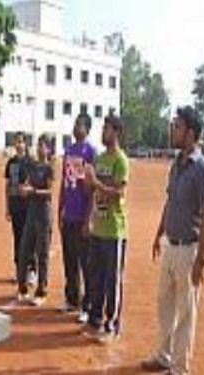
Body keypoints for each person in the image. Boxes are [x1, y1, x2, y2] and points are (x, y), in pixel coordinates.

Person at [141, 106, 204, 375]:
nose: (173, 130)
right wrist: (158, 233)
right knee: (165, 304)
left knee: (185, 313)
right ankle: (163, 356)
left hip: (189, 249)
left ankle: (179, 368)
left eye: (178, 126)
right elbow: (169, 200)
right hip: (171, 245)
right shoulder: (176, 164)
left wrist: (202, 259)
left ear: (191, 133)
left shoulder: (203, 170)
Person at [83, 114, 129, 344]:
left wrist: (97, 183)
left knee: (113, 279)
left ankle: (112, 324)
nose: (103, 132)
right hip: (98, 228)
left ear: (117, 132)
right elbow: (90, 193)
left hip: (114, 230)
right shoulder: (99, 159)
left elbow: (119, 193)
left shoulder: (121, 160)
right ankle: (95, 319)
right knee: (96, 276)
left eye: (107, 129)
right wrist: (87, 181)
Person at [58, 114, 96, 323]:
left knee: (85, 262)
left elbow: (91, 190)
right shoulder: (69, 150)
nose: (75, 128)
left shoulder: (90, 152)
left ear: (87, 129)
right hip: (69, 213)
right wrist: (61, 208)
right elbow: (65, 181)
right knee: (69, 259)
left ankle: (87, 304)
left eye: (79, 125)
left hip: (82, 214)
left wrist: (88, 218)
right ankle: (71, 298)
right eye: (74, 124)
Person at [17, 134, 54, 307]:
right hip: (31, 212)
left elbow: (50, 192)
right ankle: (22, 287)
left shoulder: (49, 168)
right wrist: (24, 188)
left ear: (49, 149)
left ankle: (41, 290)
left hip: (44, 214)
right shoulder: (32, 166)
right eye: (38, 145)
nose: (39, 149)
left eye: (43, 146)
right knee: (24, 250)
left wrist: (33, 192)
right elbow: (27, 182)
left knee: (43, 254)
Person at [4, 132, 36, 283]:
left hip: (29, 208)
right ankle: (19, 270)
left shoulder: (31, 162)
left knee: (29, 239)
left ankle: (32, 269)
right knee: (17, 239)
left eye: (21, 142)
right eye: (16, 142)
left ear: (25, 144)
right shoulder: (11, 163)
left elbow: (35, 183)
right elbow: (8, 186)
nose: (18, 145)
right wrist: (7, 207)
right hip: (15, 206)